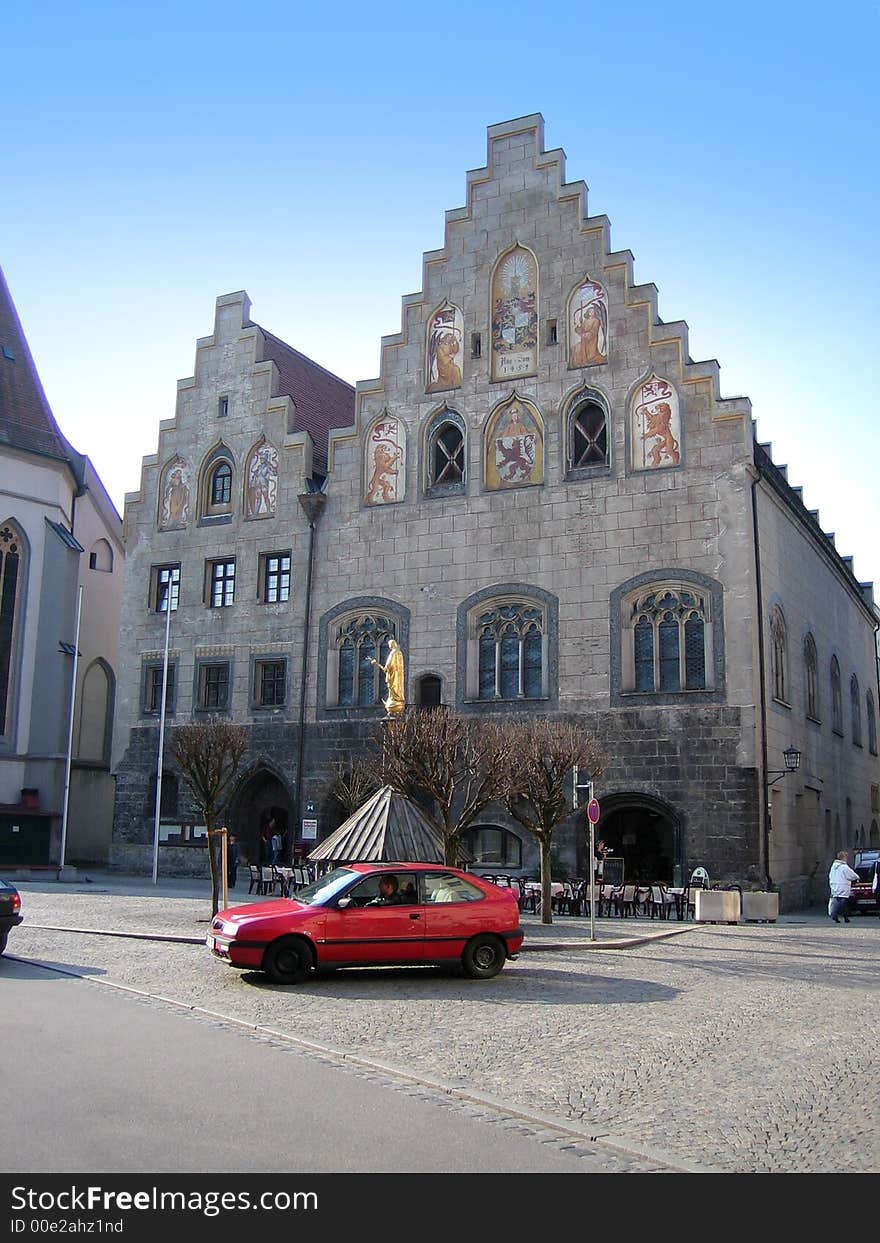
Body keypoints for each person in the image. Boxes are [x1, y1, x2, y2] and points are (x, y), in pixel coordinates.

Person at [369, 639, 405, 716]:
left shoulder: (393, 653)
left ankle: (394, 703)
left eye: (389, 645)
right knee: (396, 690)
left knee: (392, 689)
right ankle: (396, 701)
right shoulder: (399, 653)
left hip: (392, 676)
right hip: (398, 677)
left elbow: (387, 666)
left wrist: (376, 663)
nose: (389, 646)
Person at [828, 850, 860, 923]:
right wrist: (857, 877)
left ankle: (834, 914)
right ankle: (845, 917)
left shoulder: (833, 867)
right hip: (843, 886)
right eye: (846, 858)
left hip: (834, 886)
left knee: (835, 901)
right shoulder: (844, 867)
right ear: (844, 858)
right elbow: (851, 875)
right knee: (843, 903)